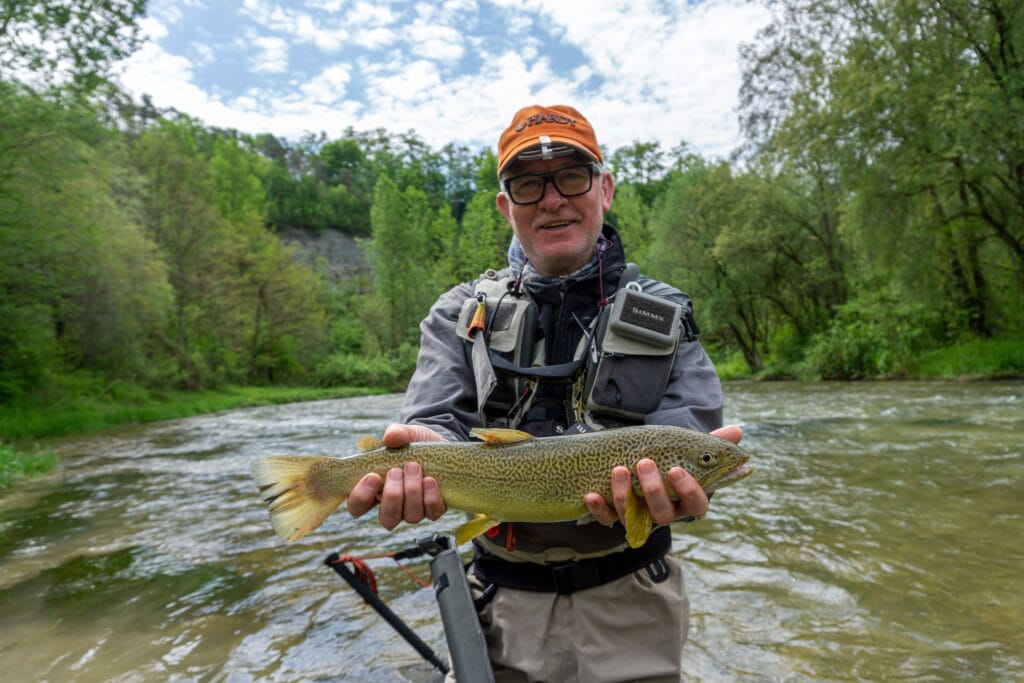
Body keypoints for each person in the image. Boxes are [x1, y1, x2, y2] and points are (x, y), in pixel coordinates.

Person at [347, 104, 742, 682]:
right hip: (499, 602)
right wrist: (420, 451)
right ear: (507, 207)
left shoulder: (665, 311)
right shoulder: (459, 311)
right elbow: (434, 421)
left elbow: (689, 428)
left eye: (572, 177)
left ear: (604, 189)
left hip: (633, 601)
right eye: (528, 184)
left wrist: (687, 476)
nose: (552, 198)